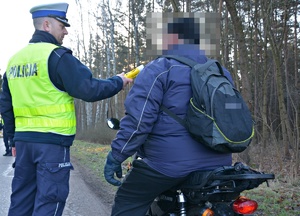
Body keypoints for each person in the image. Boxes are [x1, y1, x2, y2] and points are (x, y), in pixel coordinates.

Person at [0, 2, 132, 216]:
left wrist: (13, 138)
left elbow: (6, 106)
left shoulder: (14, 61)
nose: (66, 31)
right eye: (62, 26)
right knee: (49, 201)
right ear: (46, 25)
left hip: (24, 143)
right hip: (52, 143)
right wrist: (118, 81)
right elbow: (89, 89)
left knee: (21, 201)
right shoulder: (57, 56)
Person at [104, 13, 234, 215]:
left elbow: (139, 122)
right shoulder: (221, 72)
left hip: (167, 164)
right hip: (219, 162)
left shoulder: (159, 69)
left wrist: (117, 155)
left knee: (128, 200)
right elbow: (231, 118)